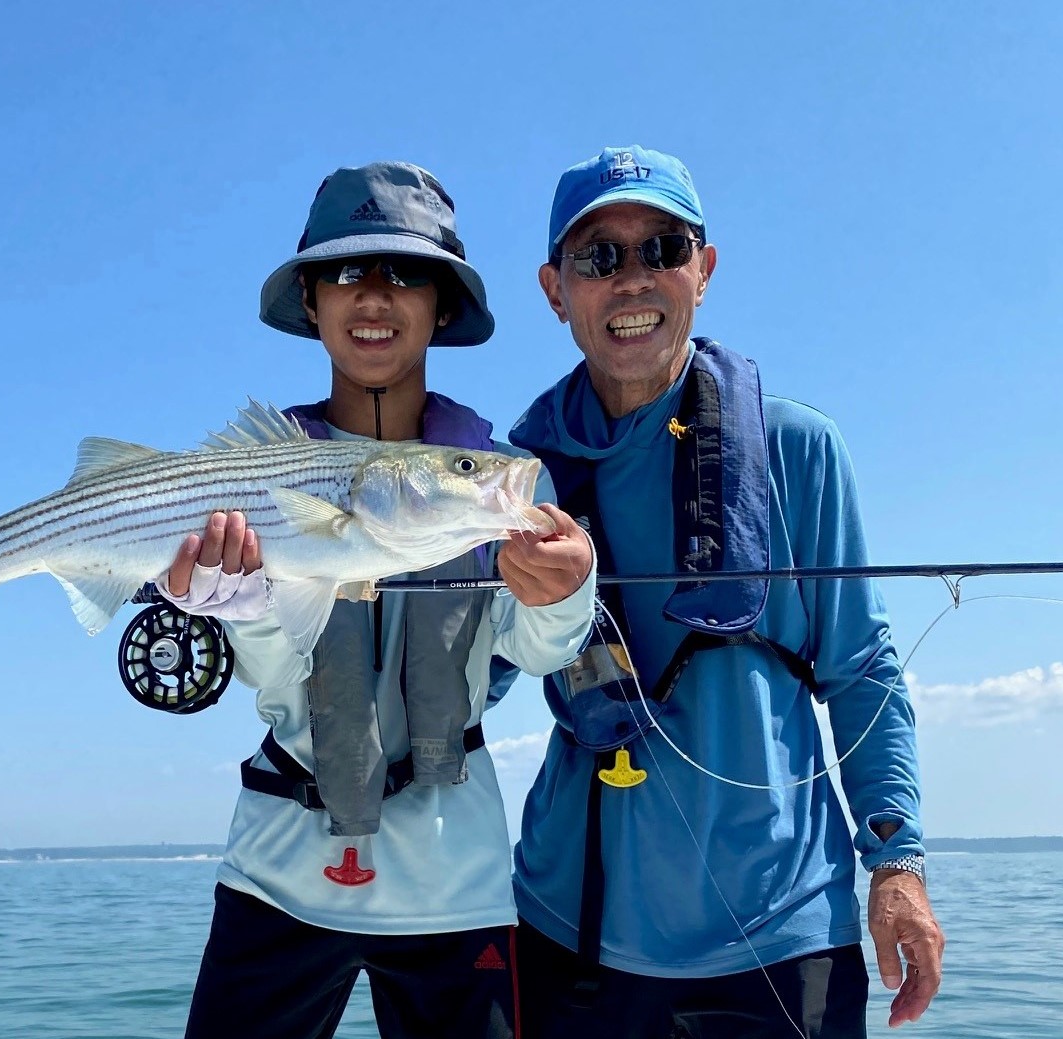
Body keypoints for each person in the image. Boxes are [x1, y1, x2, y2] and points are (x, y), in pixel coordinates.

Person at [507, 146, 946, 1038]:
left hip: (786, 932)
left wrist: (896, 860)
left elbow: (863, 669)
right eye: (598, 257)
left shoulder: (803, 448)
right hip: (568, 929)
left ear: (702, 271)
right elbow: (472, 684)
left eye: (662, 248)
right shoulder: (514, 479)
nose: (632, 280)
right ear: (556, 291)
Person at [156, 160, 597, 1039]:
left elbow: (541, 649)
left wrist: (567, 592)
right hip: (278, 872)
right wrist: (243, 606)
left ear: (440, 305)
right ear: (311, 301)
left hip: (453, 881)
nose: (374, 297)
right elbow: (273, 674)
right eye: (347, 272)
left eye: (405, 274)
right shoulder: (256, 481)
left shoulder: (490, 479)